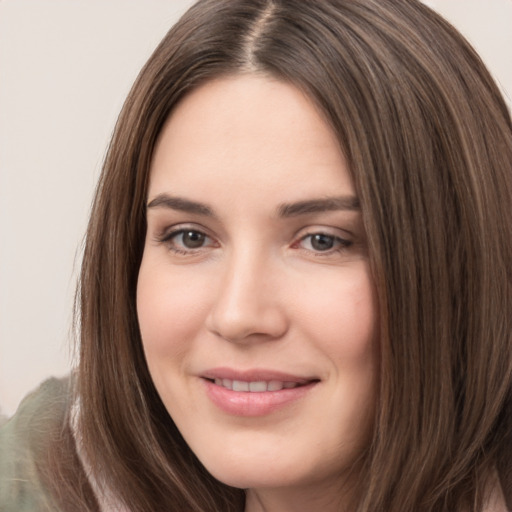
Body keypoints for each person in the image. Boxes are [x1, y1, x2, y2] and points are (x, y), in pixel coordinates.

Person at [1, 0, 511, 510]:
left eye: (322, 240)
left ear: (461, 263)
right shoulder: (39, 473)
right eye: (190, 237)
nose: (238, 315)